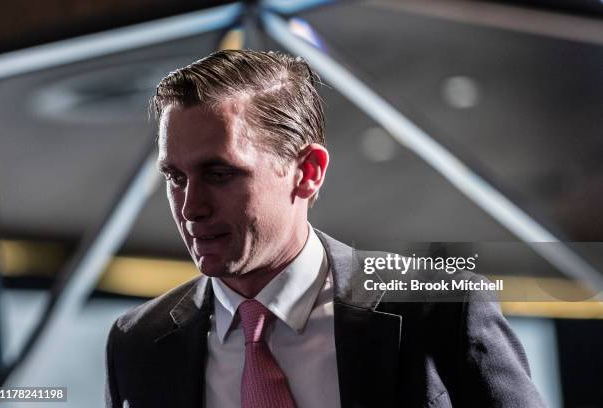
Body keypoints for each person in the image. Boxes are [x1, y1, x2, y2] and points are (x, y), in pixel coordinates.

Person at [105, 49, 546, 408]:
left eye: (219, 174)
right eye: (175, 177)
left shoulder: (437, 306)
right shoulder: (139, 342)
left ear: (307, 171)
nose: (190, 207)